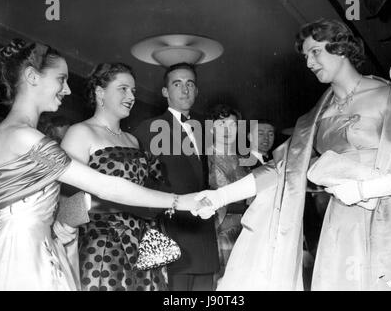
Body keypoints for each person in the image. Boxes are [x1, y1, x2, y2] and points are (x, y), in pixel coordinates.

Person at [194, 18, 391, 291]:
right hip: (341, 220)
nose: (309, 63)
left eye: (315, 52)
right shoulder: (317, 117)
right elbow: (282, 169)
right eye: (306, 56)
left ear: (341, 49)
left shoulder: (389, 96)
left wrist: (363, 188)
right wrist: (220, 196)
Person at [0, 39, 199, 291]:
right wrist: (179, 201)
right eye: (61, 79)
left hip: (37, 248)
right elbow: (103, 185)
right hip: (23, 256)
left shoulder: (18, 135)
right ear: (32, 77)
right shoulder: (23, 137)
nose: (68, 90)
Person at [61, 62, 169, 291]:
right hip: (101, 245)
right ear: (100, 92)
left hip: (142, 242)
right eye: (123, 89)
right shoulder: (81, 132)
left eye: (133, 91)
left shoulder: (133, 141)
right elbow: (66, 200)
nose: (131, 96)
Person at [134, 63, 219, 291]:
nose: (185, 90)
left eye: (190, 84)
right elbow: (139, 181)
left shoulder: (203, 129)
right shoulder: (149, 128)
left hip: (204, 239)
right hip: (172, 237)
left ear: (197, 91)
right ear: (165, 92)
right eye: (177, 84)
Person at [206, 104, 250, 285]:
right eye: (221, 124)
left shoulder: (242, 159)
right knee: (222, 280)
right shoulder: (204, 157)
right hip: (219, 227)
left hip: (245, 226)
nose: (227, 130)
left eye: (232, 125)